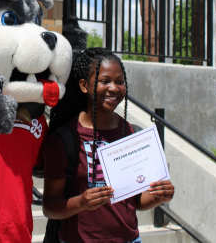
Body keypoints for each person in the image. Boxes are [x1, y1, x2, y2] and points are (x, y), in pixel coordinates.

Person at [42, 48, 175, 243]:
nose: (113, 88)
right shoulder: (65, 139)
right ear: (84, 85)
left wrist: (161, 196)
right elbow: (49, 207)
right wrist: (81, 202)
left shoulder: (133, 134)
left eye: (119, 82)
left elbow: (135, 202)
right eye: (104, 81)